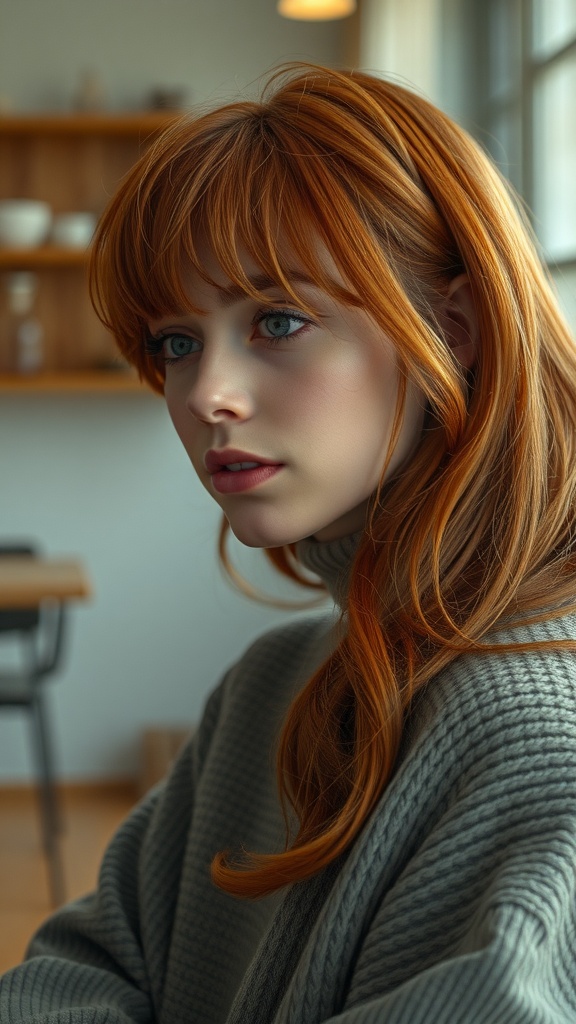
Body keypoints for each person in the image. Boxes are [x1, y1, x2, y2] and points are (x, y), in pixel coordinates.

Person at [2, 61, 576, 1023]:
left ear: (455, 325)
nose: (202, 395)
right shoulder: (276, 680)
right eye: (177, 340)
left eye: (276, 321)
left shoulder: (538, 742)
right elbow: (82, 963)